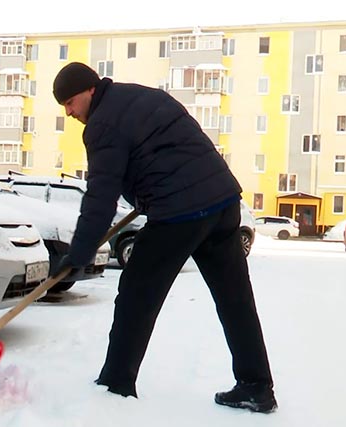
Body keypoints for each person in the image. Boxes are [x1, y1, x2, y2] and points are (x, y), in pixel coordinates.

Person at [49, 62, 276, 413]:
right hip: (222, 201)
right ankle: (256, 385)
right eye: (63, 105)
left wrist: (78, 252)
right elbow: (181, 147)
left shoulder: (102, 124)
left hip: (179, 212)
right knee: (235, 299)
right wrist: (146, 193)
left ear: (91, 89)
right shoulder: (145, 97)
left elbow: (100, 196)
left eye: (70, 101)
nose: (68, 111)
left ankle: (115, 382)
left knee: (136, 294)